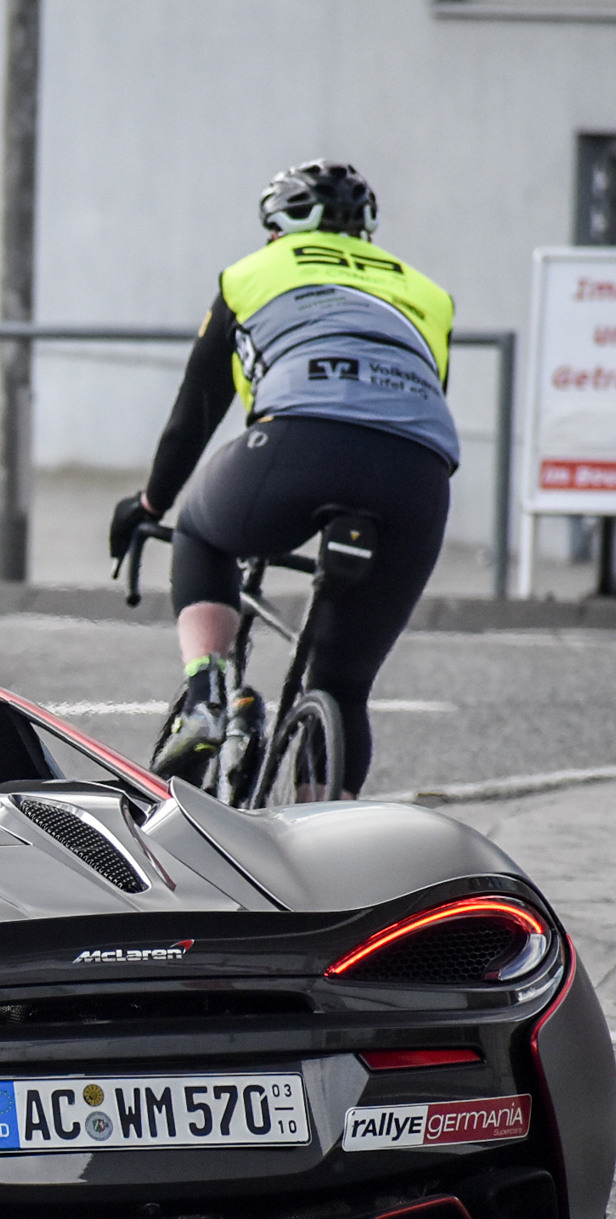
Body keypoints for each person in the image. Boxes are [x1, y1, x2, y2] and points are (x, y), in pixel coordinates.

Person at [111, 161, 457, 798]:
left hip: (298, 445)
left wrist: (149, 502)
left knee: (200, 528)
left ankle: (205, 698)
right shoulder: (429, 295)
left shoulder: (252, 274)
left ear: (278, 229)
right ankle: (328, 838)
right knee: (343, 687)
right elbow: (420, 401)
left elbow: (196, 412)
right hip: (419, 476)